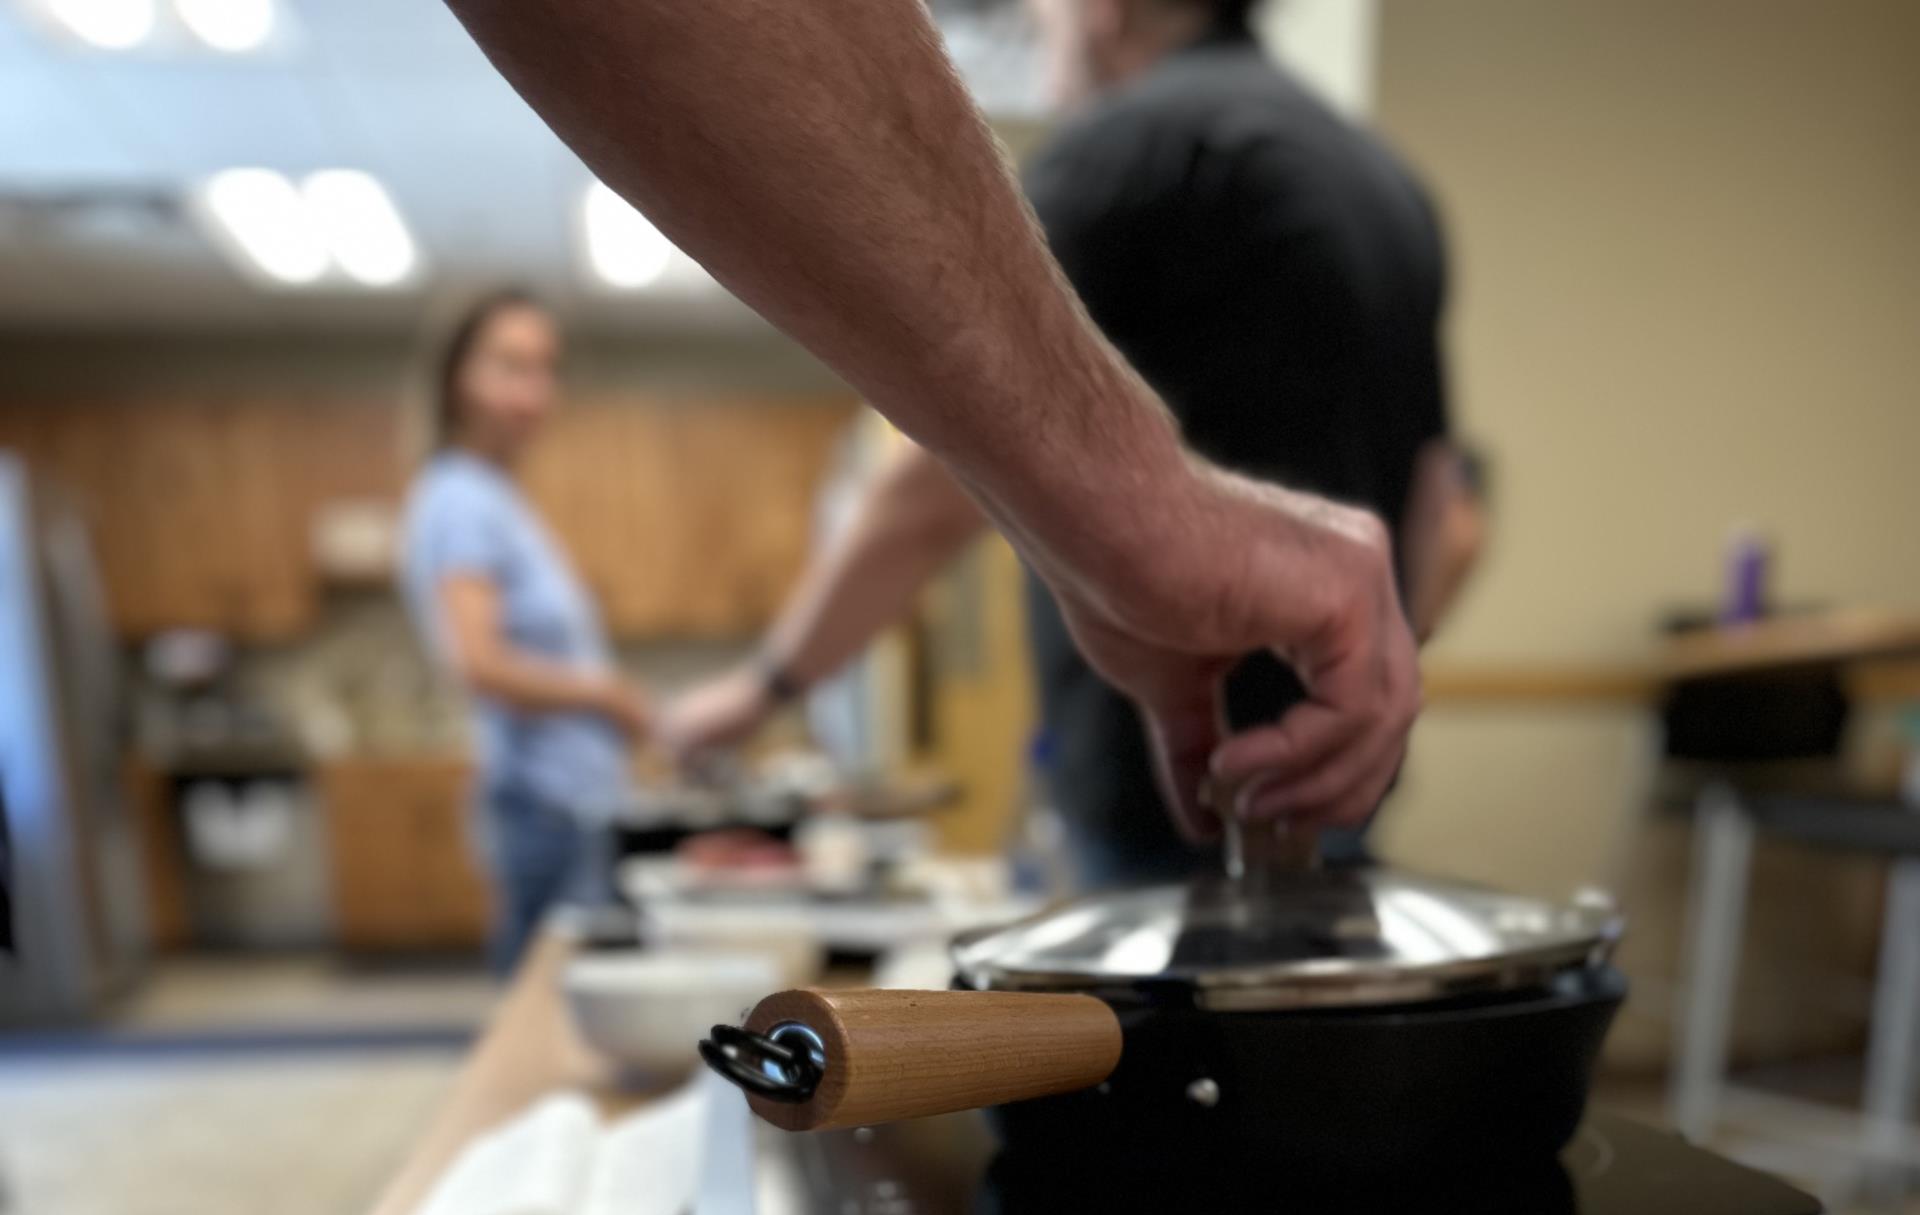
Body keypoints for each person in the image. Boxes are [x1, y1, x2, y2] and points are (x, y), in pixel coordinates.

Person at [440, 0, 1420, 856]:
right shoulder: (1390, 189)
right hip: (1342, 770)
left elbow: (935, 479)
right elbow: (1446, 510)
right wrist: (1367, 706)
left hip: (1170, 787)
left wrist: (766, 685)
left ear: (1104, 8)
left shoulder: (1125, 149)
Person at [401, 289, 653, 971]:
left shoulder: (494, 497)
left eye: (545, 369)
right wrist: (606, 694)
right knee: (545, 1016)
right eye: (510, 366)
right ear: (458, 377)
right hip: (542, 807)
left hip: (569, 802)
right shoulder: (460, 498)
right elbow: (480, 662)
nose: (533, 392)